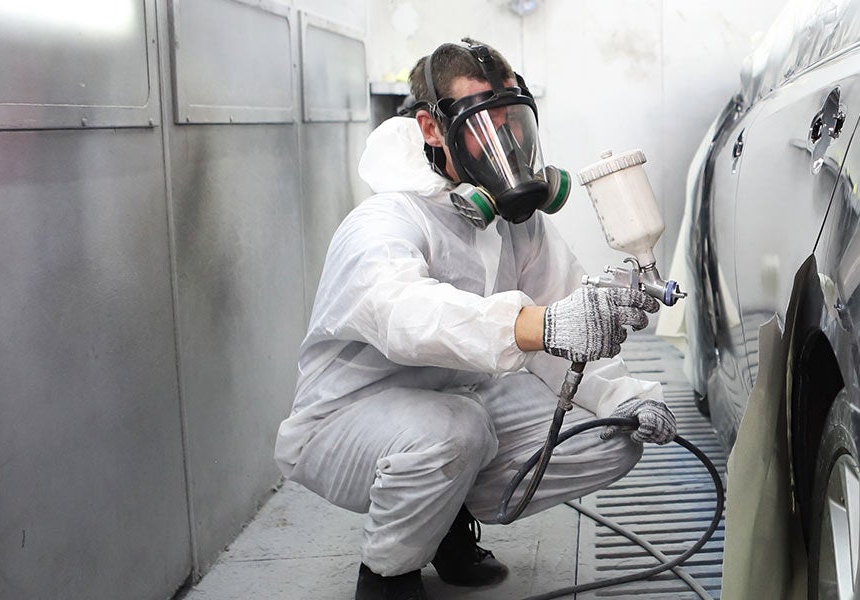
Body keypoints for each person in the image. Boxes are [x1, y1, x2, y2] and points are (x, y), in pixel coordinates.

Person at [273, 39, 678, 600]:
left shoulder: (517, 223)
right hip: (351, 420)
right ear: (432, 128)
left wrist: (626, 396)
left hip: (458, 401)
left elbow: (560, 316)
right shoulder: (384, 219)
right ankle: (387, 573)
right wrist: (535, 325)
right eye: (484, 122)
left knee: (611, 437)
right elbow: (402, 314)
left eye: (513, 118)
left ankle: (440, 517)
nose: (507, 141)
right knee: (450, 433)